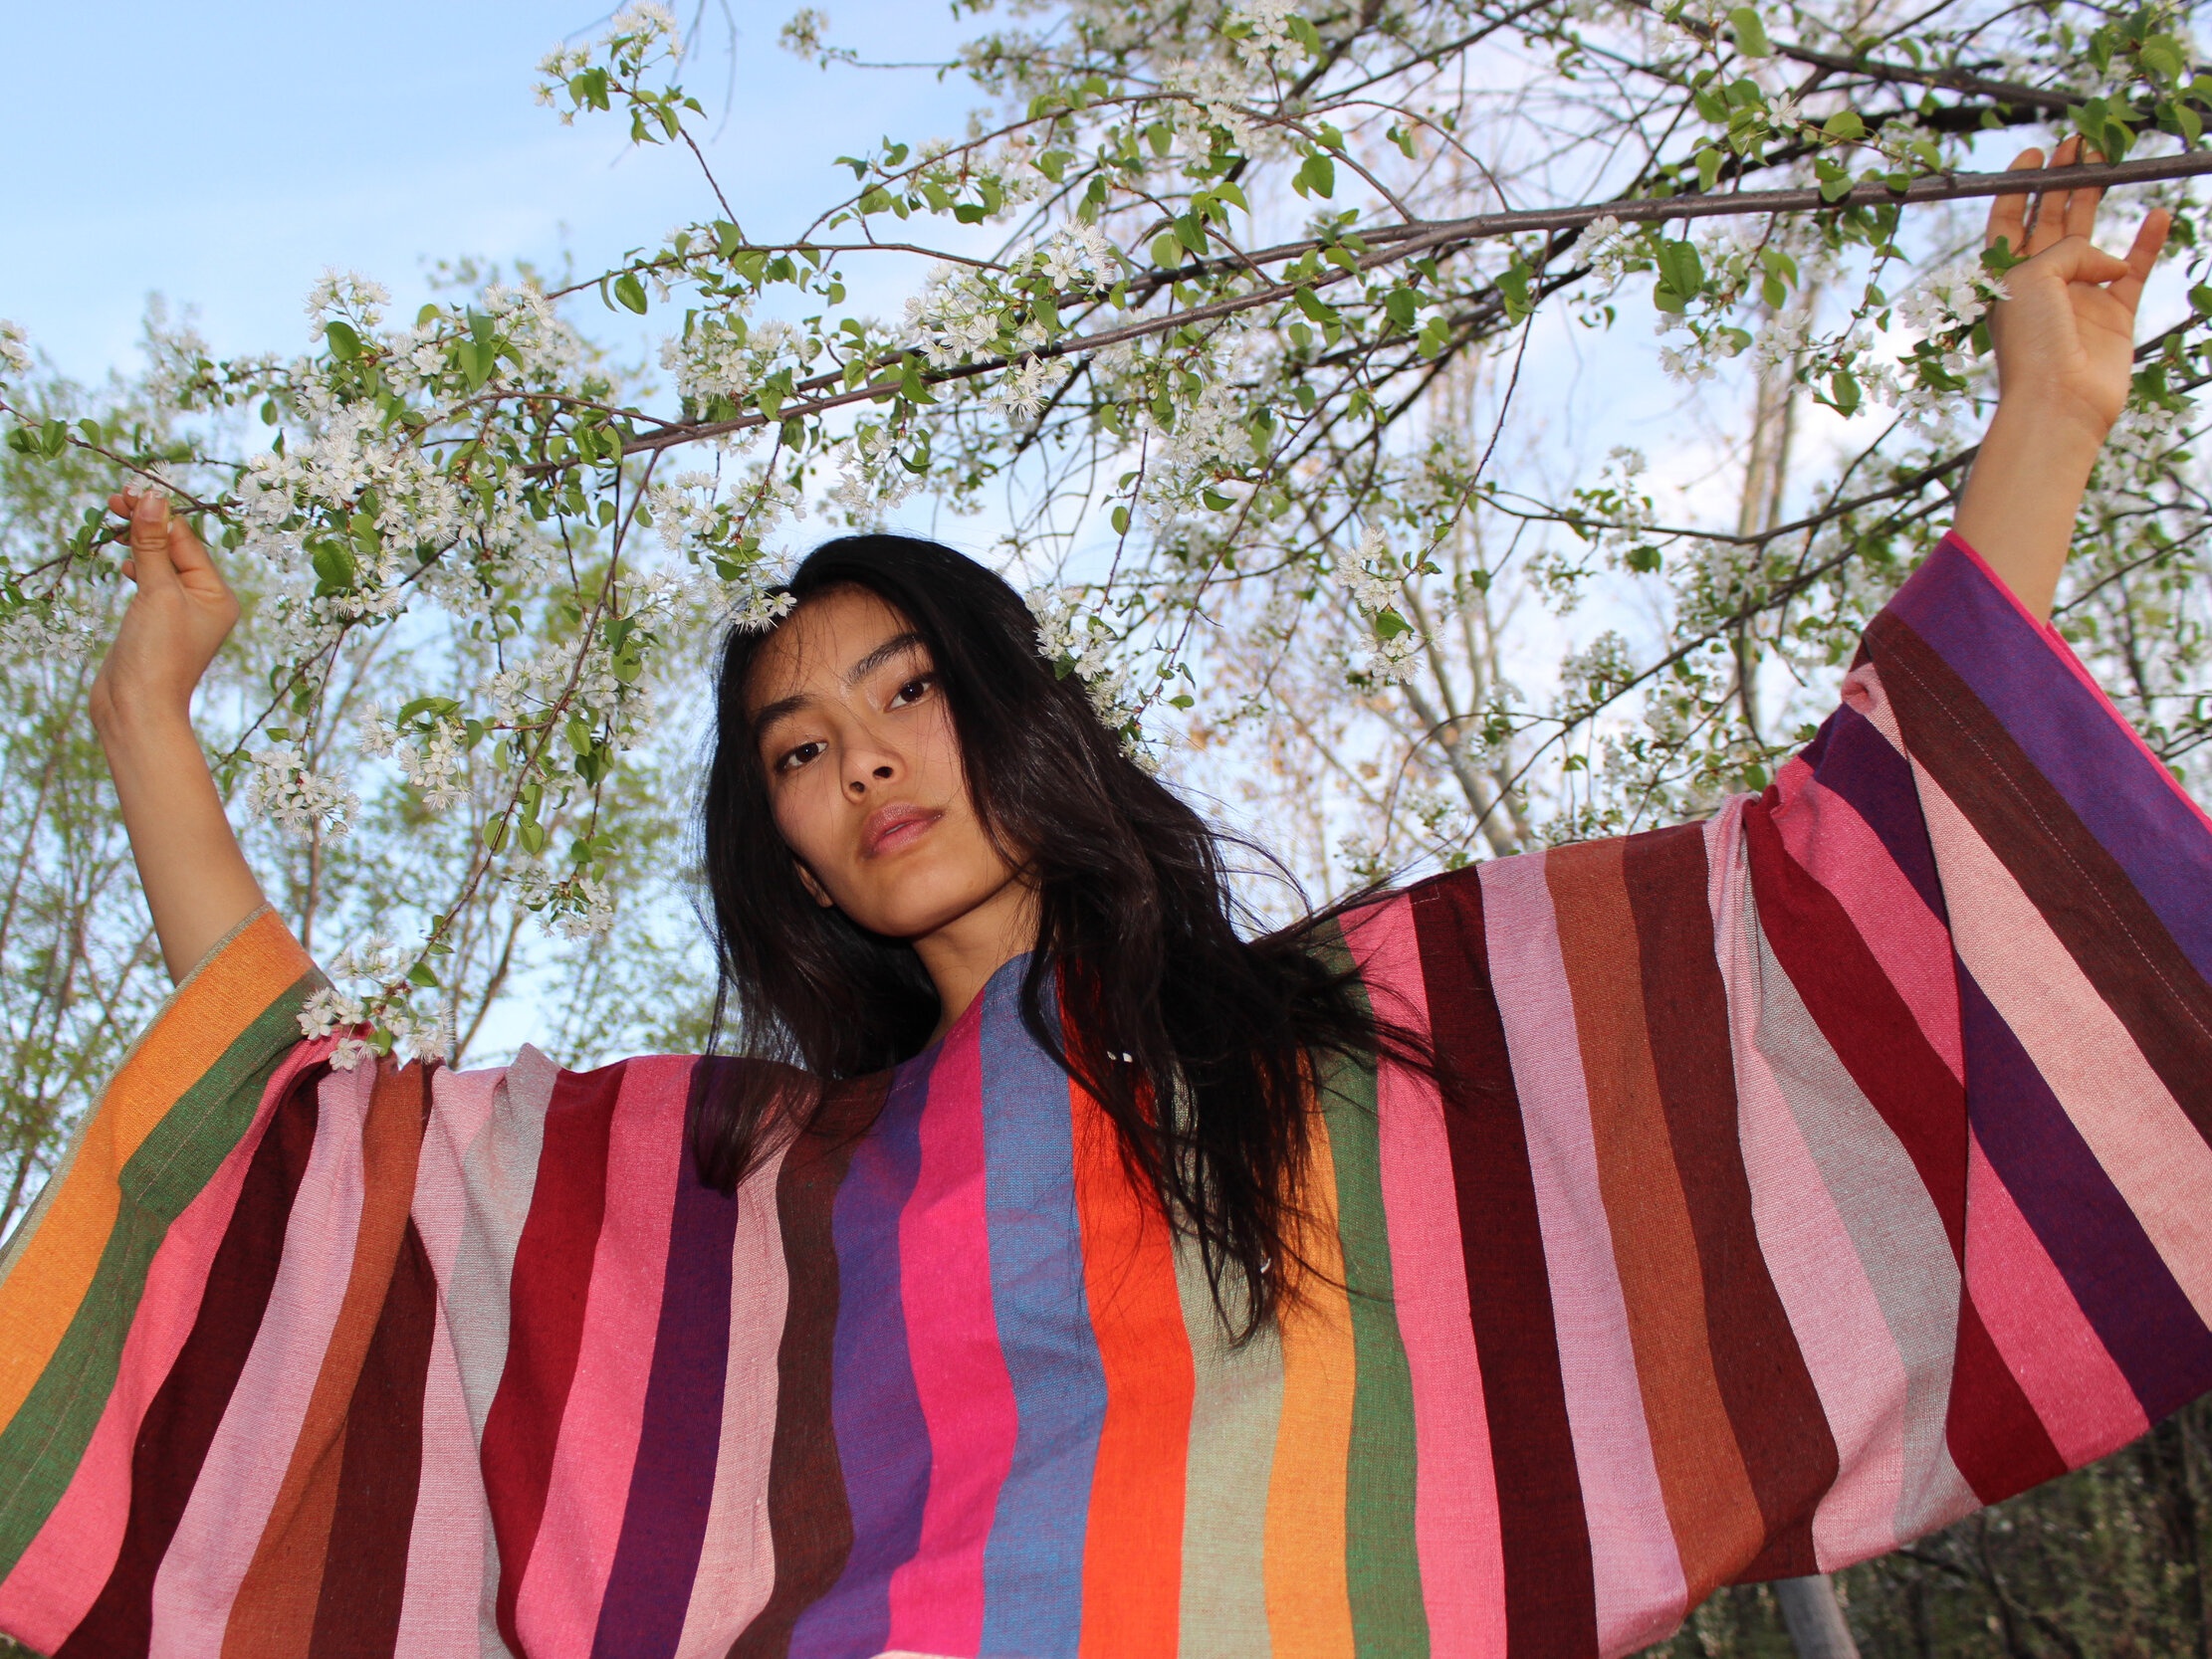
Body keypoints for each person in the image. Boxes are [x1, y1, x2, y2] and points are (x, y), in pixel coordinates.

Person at [2, 142, 2208, 1659]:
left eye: (903, 690)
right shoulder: (760, 1198)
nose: (864, 758)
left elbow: (1817, 914)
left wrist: (2044, 418)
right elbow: (334, 1176)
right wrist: (145, 726)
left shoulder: (1364, 1027)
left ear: (1011, 710)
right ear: (780, 844)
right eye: (795, 747)